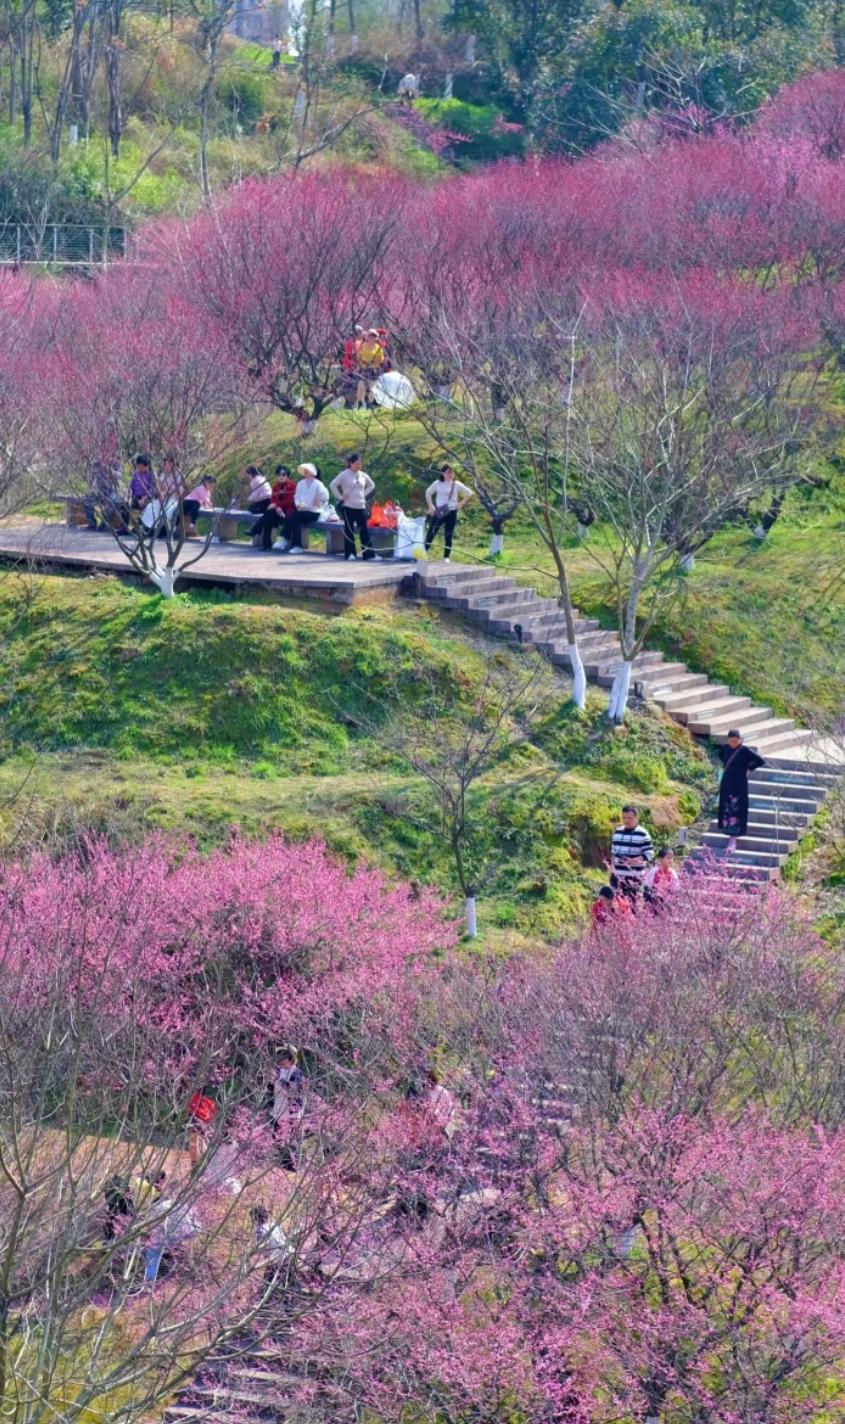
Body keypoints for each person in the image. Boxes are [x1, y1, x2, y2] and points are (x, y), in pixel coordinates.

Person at [718, 730, 765, 852]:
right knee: (727, 808)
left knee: (737, 809)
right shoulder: (725, 749)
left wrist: (748, 768)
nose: (733, 743)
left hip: (739, 784)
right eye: (730, 741)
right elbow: (721, 756)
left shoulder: (744, 750)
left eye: (735, 741)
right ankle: (728, 831)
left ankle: (734, 837)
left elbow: (760, 761)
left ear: (739, 740)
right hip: (727, 782)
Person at [143, 1189, 201, 1285]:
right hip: (190, 1230)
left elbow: (154, 1226)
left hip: (172, 1233)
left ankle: (149, 1282)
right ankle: (196, 1273)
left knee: (152, 1253)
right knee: (189, 1255)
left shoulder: (157, 1208)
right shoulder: (178, 1203)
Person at [330, 453, 375, 560]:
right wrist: (340, 497)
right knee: (349, 530)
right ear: (350, 463)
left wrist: (363, 495)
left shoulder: (363, 475)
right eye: (356, 464)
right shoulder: (344, 474)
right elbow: (333, 485)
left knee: (364, 530)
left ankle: (368, 555)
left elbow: (372, 485)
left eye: (360, 464)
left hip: (361, 506)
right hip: (348, 506)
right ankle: (350, 554)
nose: (358, 466)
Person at [424, 464, 474, 562]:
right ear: (442, 473)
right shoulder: (437, 483)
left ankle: (446, 557)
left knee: (449, 535)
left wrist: (461, 503)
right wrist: (431, 506)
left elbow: (469, 493)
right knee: (432, 532)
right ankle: (424, 553)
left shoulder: (456, 484)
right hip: (439, 511)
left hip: (452, 512)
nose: (450, 474)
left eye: (452, 472)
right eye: (448, 472)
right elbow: (428, 493)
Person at [270, 1046, 305, 1171]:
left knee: (290, 1140)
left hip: (291, 1113)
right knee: (277, 1137)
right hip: (279, 1110)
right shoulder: (280, 1071)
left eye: (283, 1057)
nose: (280, 1060)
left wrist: (279, 1082)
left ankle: (294, 1166)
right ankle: (283, 1164)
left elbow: (293, 1091)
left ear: (290, 1058)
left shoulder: (296, 1073)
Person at [610, 805, 654, 902]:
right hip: (617, 876)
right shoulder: (617, 832)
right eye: (624, 818)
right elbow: (613, 853)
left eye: (629, 818)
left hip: (634, 878)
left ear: (636, 817)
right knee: (616, 906)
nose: (626, 821)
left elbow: (649, 854)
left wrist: (635, 860)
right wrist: (612, 871)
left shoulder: (643, 834)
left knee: (632, 905)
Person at [287, 463, 329, 553]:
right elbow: (297, 497)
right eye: (304, 470)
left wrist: (319, 501)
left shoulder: (318, 484)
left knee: (294, 517)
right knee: (295, 519)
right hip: (302, 511)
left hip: (314, 512)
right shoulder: (300, 483)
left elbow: (325, 497)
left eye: (307, 470)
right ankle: (296, 545)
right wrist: (298, 505)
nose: (305, 471)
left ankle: (288, 539)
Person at [250, 1204, 294, 1284]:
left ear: (255, 1219)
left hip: (279, 1261)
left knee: (267, 1284)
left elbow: (266, 1253)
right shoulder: (274, 1226)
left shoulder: (260, 1232)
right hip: (290, 1255)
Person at [257, 465, 297, 550]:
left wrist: (277, 505)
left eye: (283, 474)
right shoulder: (276, 486)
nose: (281, 476)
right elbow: (273, 499)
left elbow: (290, 501)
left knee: (268, 514)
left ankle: (256, 529)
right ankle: (266, 544)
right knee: (268, 516)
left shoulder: (292, 485)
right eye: (279, 474)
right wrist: (276, 507)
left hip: (288, 512)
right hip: (278, 512)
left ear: (287, 475)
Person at [187, 1088, 217, 1168]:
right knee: (200, 1148)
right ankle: (198, 1165)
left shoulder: (197, 1099)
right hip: (203, 1127)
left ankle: (197, 1165)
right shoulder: (210, 1103)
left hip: (199, 1126)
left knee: (197, 1148)